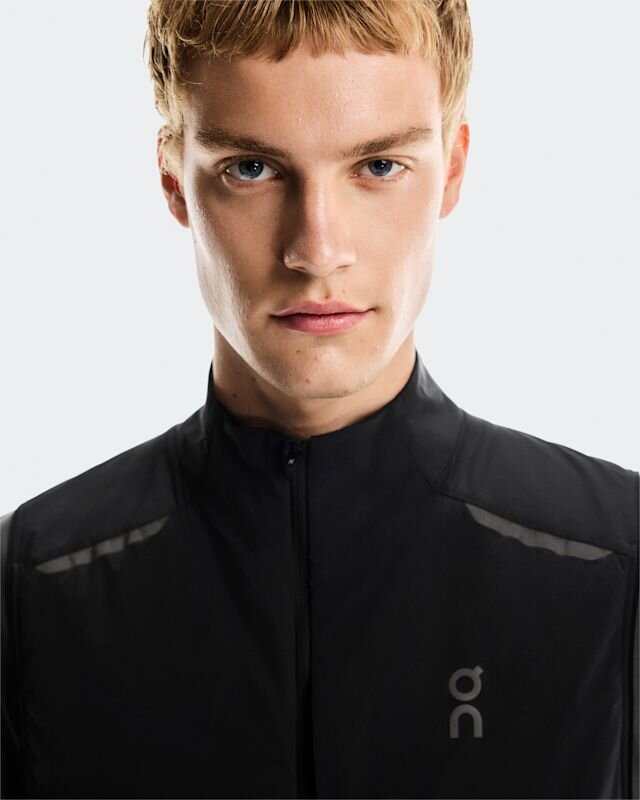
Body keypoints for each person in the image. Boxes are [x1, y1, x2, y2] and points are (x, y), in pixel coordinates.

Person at [1, 0, 637, 797]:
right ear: (173, 179)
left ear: (452, 168)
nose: (317, 249)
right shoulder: (33, 583)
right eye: (252, 168)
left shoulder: (616, 561)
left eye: (379, 166)